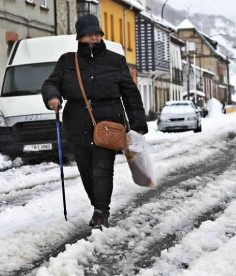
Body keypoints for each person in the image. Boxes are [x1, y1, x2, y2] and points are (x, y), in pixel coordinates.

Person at [42, 14, 148, 229]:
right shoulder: (67, 61)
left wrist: (138, 125)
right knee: (86, 170)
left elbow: (130, 94)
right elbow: (51, 83)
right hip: (77, 123)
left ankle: (101, 212)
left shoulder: (115, 60)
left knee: (103, 168)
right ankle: (98, 203)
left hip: (108, 122)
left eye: (96, 34)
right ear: (79, 37)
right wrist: (52, 97)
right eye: (88, 35)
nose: (94, 38)